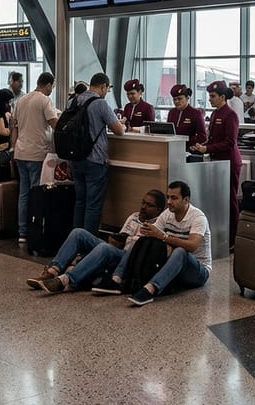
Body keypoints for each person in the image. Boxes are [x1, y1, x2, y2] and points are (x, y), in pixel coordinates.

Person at [29, 189, 166, 293]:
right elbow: (120, 237)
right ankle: (53, 270)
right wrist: (116, 239)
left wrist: (122, 242)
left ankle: (66, 280)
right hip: (117, 249)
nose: (143, 207)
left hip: (128, 258)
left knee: (105, 249)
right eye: (143, 202)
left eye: (149, 205)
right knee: (78, 233)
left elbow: (141, 249)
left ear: (159, 210)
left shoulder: (158, 226)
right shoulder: (134, 216)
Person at [108, 181, 212, 306]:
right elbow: (151, 233)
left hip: (198, 271)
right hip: (173, 265)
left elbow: (192, 246)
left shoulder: (198, 217)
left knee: (180, 251)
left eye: (174, 198)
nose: (169, 202)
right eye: (168, 197)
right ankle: (117, 279)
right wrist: (152, 234)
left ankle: (150, 289)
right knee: (140, 240)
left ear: (186, 199)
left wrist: (164, 237)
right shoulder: (167, 213)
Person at [70, 73, 126, 235]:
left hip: (76, 157)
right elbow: (119, 131)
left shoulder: (74, 100)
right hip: (95, 159)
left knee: (80, 201)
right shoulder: (100, 103)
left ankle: (75, 241)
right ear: (103, 86)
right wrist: (119, 122)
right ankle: (88, 244)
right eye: (107, 89)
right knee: (93, 205)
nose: (106, 92)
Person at [13, 73, 60, 245]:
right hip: (37, 153)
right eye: (52, 87)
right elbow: (55, 124)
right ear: (48, 85)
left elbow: (14, 124)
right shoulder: (44, 100)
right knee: (35, 194)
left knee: (23, 194)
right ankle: (34, 230)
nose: (52, 90)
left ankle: (22, 232)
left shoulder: (22, 100)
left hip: (21, 151)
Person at [192, 80, 241, 247]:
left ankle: (234, 238)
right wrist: (202, 146)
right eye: (209, 96)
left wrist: (207, 148)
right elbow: (211, 138)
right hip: (216, 161)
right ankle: (221, 235)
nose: (210, 99)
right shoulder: (214, 114)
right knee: (218, 200)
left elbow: (230, 142)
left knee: (230, 199)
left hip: (229, 162)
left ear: (222, 97)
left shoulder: (230, 114)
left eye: (213, 96)